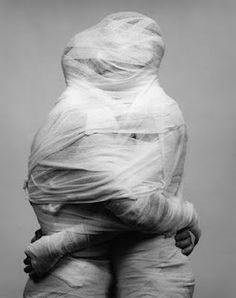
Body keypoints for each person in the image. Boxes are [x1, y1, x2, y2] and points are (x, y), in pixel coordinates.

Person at [23, 11, 201, 298]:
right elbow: (135, 209)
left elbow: (140, 207)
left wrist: (57, 243)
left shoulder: (160, 115)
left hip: (140, 269)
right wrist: (185, 218)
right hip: (80, 273)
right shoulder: (77, 117)